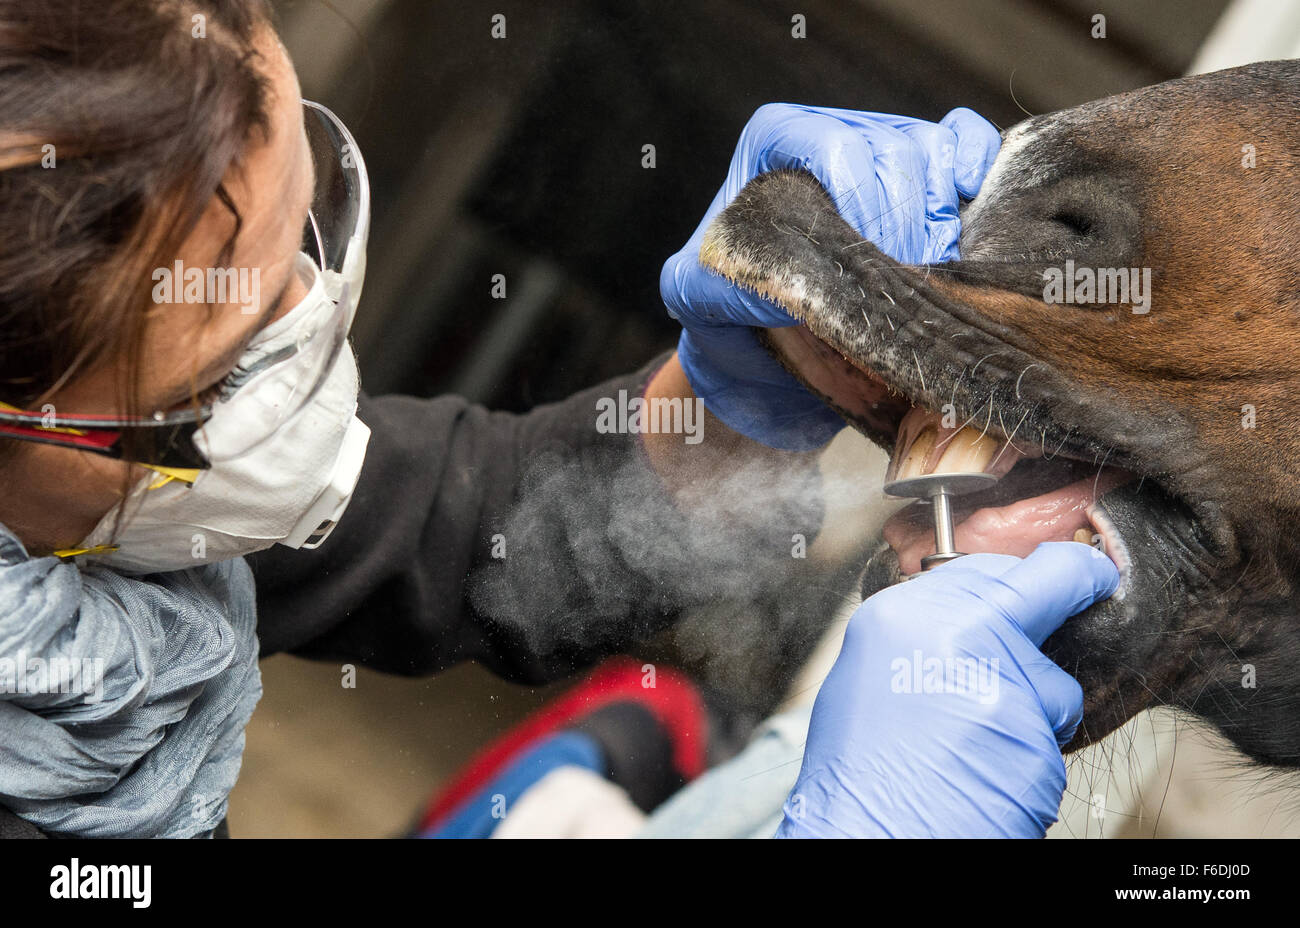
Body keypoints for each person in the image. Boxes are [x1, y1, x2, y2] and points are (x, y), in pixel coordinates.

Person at [0, 0, 1116, 839]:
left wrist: (740, 389)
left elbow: (461, 525)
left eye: (308, 231)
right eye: (231, 353)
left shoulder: (128, 533)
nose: (308, 330)